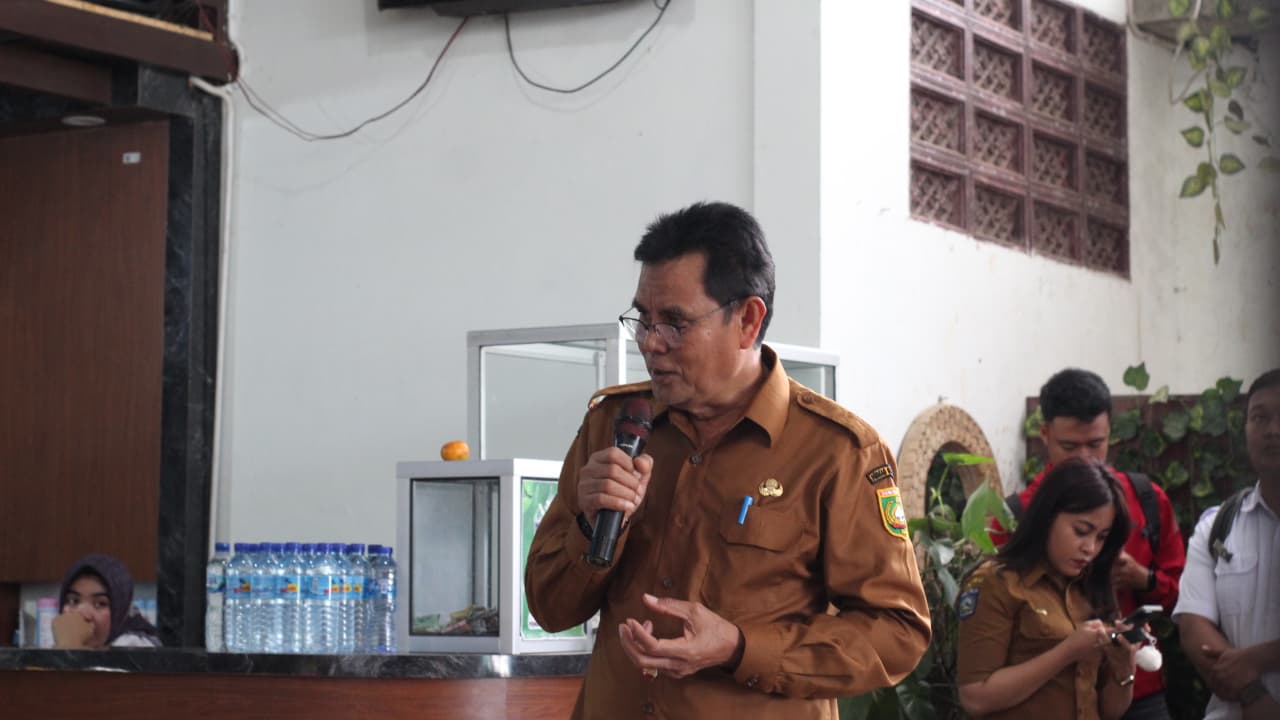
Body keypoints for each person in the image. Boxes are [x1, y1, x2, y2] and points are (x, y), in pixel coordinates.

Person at [523, 201, 930, 719]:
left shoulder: (837, 453)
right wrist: (590, 525)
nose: (650, 343)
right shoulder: (615, 427)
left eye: (675, 323)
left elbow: (897, 633)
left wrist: (741, 648)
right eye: (642, 319)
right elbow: (550, 609)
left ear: (748, 320)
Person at [993, 368, 1185, 719]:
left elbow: (1187, 602)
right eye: (1070, 447)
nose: (1085, 458)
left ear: (1111, 433)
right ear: (1045, 434)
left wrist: (1142, 579)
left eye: (1096, 444)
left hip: (1138, 688)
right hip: (1053, 699)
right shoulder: (1014, 516)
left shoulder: (1147, 499)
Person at [957, 459, 1139, 719]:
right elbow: (975, 697)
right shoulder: (996, 583)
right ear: (1047, 517)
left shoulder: (1092, 586)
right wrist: (1067, 652)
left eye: (1101, 537)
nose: (1090, 548)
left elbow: (1110, 711)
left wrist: (1125, 667)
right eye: (1081, 531)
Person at [1173, 369, 1280, 719]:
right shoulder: (1217, 527)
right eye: (1259, 418)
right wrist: (1254, 697)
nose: (1273, 430)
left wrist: (1257, 658)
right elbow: (1194, 628)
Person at [52, 553, 161, 649]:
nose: (83, 614)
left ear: (120, 611)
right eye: (74, 601)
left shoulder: (135, 646)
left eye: (100, 604)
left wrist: (69, 646)